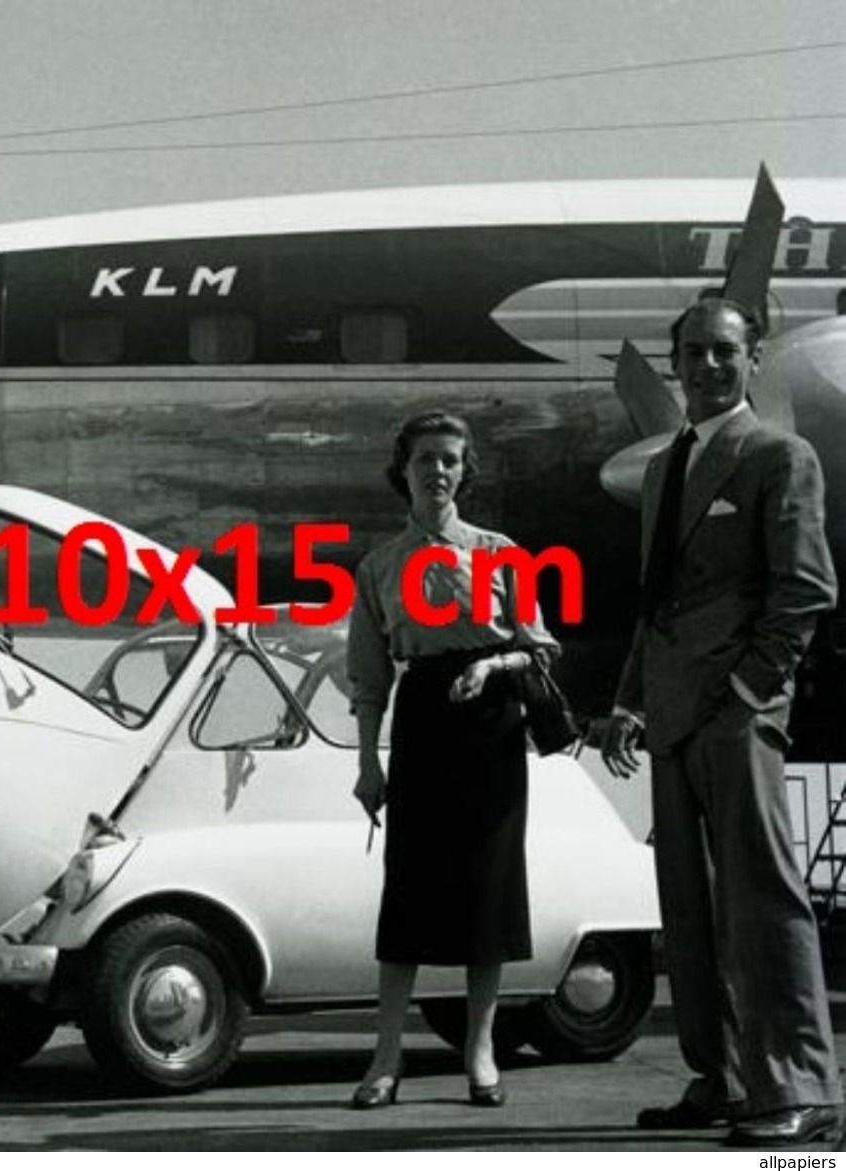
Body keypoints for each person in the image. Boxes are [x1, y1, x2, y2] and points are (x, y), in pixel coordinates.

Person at [593, 297, 841, 1146]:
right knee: (690, 904)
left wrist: (746, 694)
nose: (706, 366)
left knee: (761, 897)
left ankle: (800, 1085)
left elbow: (805, 591)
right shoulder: (666, 467)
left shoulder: (779, 454)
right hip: (668, 713)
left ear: (753, 357)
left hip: (734, 715)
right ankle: (724, 1075)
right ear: (676, 362)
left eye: (723, 352)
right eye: (693, 352)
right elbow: (653, 600)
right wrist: (627, 699)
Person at [347, 410, 557, 1109]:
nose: (437, 470)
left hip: (491, 726)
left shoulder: (500, 553)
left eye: (449, 458)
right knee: (406, 888)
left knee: (487, 891)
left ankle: (479, 1051)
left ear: (465, 470)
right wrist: (366, 764)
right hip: (422, 722)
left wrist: (494, 664)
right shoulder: (378, 566)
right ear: (401, 470)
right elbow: (368, 679)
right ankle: (385, 1057)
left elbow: (539, 645)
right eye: (423, 459)